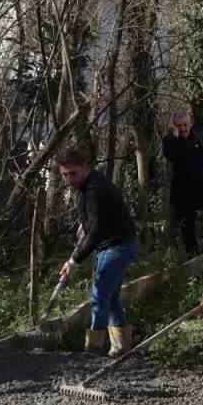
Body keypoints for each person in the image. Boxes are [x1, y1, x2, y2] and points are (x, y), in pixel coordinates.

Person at [57, 145, 139, 357]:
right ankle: (121, 347)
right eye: (65, 175)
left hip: (117, 245)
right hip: (116, 244)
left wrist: (74, 260)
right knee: (110, 297)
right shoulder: (88, 185)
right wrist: (82, 227)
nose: (69, 179)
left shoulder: (94, 189)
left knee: (99, 297)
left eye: (73, 173)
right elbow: (94, 222)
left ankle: (93, 351)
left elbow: (97, 231)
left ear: (85, 167)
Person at [161, 108, 203, 257]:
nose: (183, 129)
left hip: (201, 188)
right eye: (179, 126)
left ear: (190, 123)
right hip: (182, 192)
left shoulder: (200, 138)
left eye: (185, 125)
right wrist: (175, 137)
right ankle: (192, 255)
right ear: (174, 126)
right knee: (187, 224)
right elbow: (171, 155)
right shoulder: (170, 141)